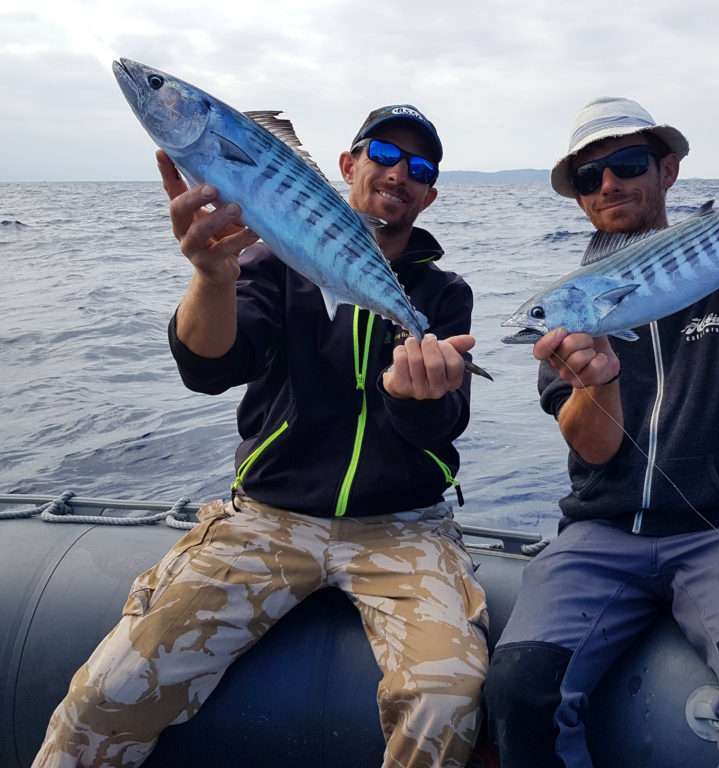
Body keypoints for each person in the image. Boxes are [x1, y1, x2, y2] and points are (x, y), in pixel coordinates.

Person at [33, 105, 488, 768]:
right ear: (347, 165)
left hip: (406, 527)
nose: (400, 173)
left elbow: (447, 425)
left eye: (420, 168)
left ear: (430, 195)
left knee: (446, 700)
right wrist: (212, 277)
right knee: (110, 688)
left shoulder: (442, 293)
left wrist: (408, 396)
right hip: (268, 519)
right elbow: (212, 366)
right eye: (384, 154)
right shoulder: (272, 262)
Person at [485, 96, 719, 767]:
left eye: (627, 164)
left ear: (668, 171)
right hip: (599, 533)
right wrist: (597, 381)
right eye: (589, 176)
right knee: (517, 689)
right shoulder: (569, 316)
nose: (608, 184)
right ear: (579, 197)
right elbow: (595, 449)